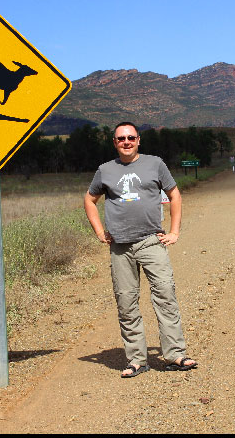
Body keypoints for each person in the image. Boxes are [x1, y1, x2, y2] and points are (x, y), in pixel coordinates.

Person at [84, 122, 198, 378]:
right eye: (121, 138)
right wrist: (100, 231)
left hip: (151, 241)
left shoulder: (155, 164)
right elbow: (89, 199)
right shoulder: (105, 170)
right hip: (120, 246)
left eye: (131, 137)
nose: (126, 141)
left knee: (165, 295)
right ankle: (136, 359)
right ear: (114, 142)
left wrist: (174, 231)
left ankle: (175, 355)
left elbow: (175, 194)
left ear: (139, 140)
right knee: (126, 302)